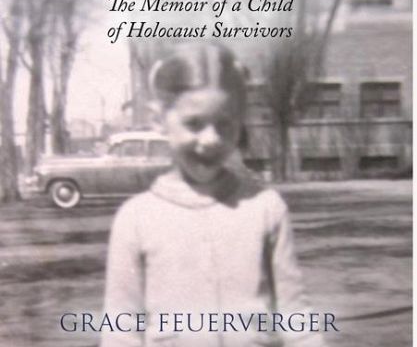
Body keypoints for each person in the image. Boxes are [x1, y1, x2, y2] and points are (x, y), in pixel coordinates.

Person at [101, 43, 328, 347]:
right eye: (194, 124)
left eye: (224, 124)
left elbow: (298, 320)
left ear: (240, 122)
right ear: (159, 120)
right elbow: (121, 333)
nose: (211, 139)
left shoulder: (265, 208)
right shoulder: (136, 220)